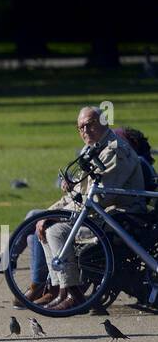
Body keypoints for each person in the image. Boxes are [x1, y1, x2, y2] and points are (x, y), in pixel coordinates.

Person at [29, 106, 145, 310]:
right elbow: (77, 195)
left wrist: (56, 217)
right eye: (80, 127)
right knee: (45, 224)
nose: (84, 131)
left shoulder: (115, 150)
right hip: (102, 215)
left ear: (104, 123)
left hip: (120, 217)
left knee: (55, 230)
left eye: (89, 125)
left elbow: (99, 197)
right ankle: (60, 290)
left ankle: (74, 295)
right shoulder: (92, 150)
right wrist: (49, 214)